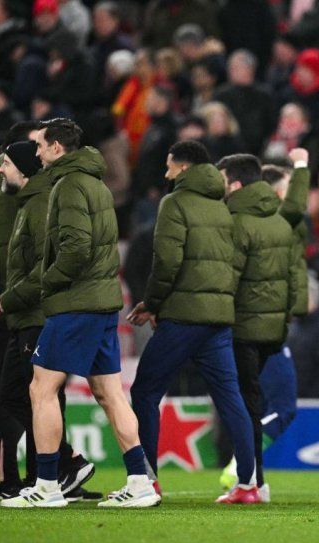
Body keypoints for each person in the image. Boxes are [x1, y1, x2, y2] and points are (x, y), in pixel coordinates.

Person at [2, 119, 158, 508]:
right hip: (103, 302)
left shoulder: (67, 186)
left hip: (76, 303)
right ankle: (140, 481)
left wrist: (45, 284)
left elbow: (75, 250)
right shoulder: (95, 182)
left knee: (40, 389)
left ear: (57, 148)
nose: (36, 153)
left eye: (39, 146)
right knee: (109, 393)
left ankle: (49, 485)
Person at [127, 141, 258, 505]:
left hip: (184, 317)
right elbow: (232, 263)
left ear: (182, 169)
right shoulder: (221, 205)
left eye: (169, 168)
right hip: (217, 318)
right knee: (231, 399)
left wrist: (152, 304)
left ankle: (146, 480)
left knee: (145, 392)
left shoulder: (175, 203)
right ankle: (248, 484)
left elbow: (167, 262)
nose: (166, 174)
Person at [216, 153, 300, 502]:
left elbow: (229, 277)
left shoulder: (242, 223)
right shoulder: (277, 224)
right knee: (259, 404)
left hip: (249, 324)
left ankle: (250, 478)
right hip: (269, 326)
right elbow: (291, 278)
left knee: (251, 403)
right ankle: (250, 475)